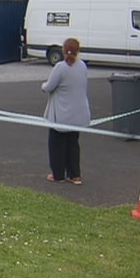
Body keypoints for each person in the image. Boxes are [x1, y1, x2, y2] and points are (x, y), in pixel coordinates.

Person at [41, 38, 91, 185]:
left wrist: (43, 86)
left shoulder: (60, 67)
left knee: (57, 144)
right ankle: (75, 174)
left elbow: (49, 86)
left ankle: (58, 174)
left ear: (63, 51)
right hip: (78, 113)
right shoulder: (82, 66)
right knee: (73, 144)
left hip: (61, 113)